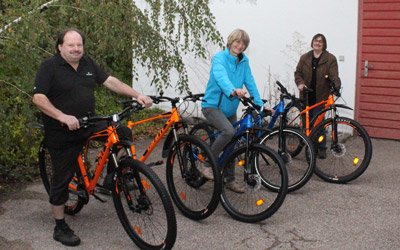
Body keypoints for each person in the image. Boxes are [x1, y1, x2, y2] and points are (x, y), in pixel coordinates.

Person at [32, 28, 153, 247]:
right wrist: (62, 116)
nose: (76, 49)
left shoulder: (87, 63)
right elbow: (38, 98)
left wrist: (138, 95)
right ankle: (60, 226)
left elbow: (110, 81)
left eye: (79, 45)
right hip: (62, 130)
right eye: (71, 45)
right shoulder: (49, 67)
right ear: (60, 47)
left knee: (121, 132)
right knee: (62, 178)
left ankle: (112, 176)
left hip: (87, 122)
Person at [201, 29, 265, 193]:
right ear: (231, 41)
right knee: (229, 132)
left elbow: (250, 81)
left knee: (233, 141)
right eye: (237, 41)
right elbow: (221, 77)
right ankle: (207, 164)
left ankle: (229, 179)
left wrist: (260, 104)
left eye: (243, 43)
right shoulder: (219, 59)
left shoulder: (244, 62)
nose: (240, 45)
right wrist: (233, 90)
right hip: (212, 106)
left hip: (229, 109)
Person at [294, 33, 342, 159]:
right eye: (316, 40)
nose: (318, 43)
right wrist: (300, 83)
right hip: (306, 95)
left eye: (321, 41)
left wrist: (336, 87)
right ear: (312, 42)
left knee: (318, 124)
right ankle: (311, 147)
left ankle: (321, 147)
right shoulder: (305, 57)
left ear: (324, 44)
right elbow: (298, 73)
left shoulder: (330, 58)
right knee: (307, 124)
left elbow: (334, 76)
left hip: (321, 96)